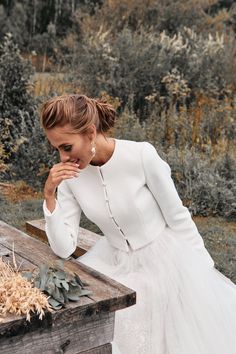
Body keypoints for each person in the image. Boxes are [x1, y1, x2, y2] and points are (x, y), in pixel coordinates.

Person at [41, 93, 236, 354]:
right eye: (57, 149)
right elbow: (64, 248)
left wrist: (202, 272)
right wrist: (50, 195)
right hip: (114, 263)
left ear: (90, 132)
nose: (63, 158)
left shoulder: (141, 156)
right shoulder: (72, 177)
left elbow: (177, 216)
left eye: (67, 147)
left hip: (165, 259)